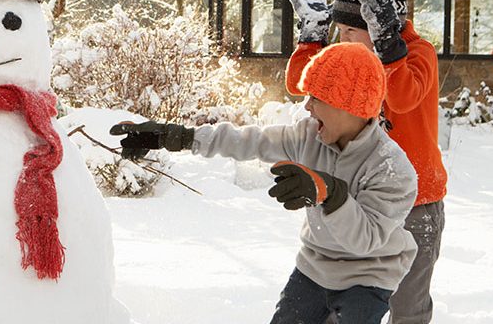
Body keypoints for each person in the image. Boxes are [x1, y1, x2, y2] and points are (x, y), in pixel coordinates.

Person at [111, 43, 418, 324]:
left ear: (348, 106)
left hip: (368, 276)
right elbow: (249, 140)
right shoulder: (307, 135)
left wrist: (328, 191)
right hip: (314, 267)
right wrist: (175, 136)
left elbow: (366, 239)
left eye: (316, 98)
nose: (307, 107)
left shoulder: (392, 168)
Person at [284, 0, 446, 323]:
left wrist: (389, 46)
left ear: (381, 27)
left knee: (408, 309)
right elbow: (301, 83)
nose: (340, 41)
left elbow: (402, 96)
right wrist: (312, 37)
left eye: (349, 32)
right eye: (337, 32)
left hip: (416, 207)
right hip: (358, 205)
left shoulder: (420, 54)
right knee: (340, 303)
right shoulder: (353, 63)